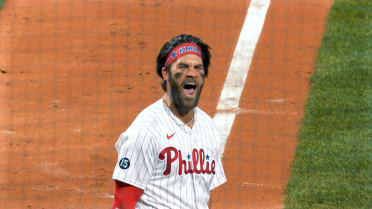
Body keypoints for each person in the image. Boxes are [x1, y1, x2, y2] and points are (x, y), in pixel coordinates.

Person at [112, 34, 226, 209]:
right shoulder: (145, 131)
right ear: (166, 74)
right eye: (183, 67)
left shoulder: (209, 127)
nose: (192, 73)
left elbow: (205, 193)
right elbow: (122, 203)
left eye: (198, 67)